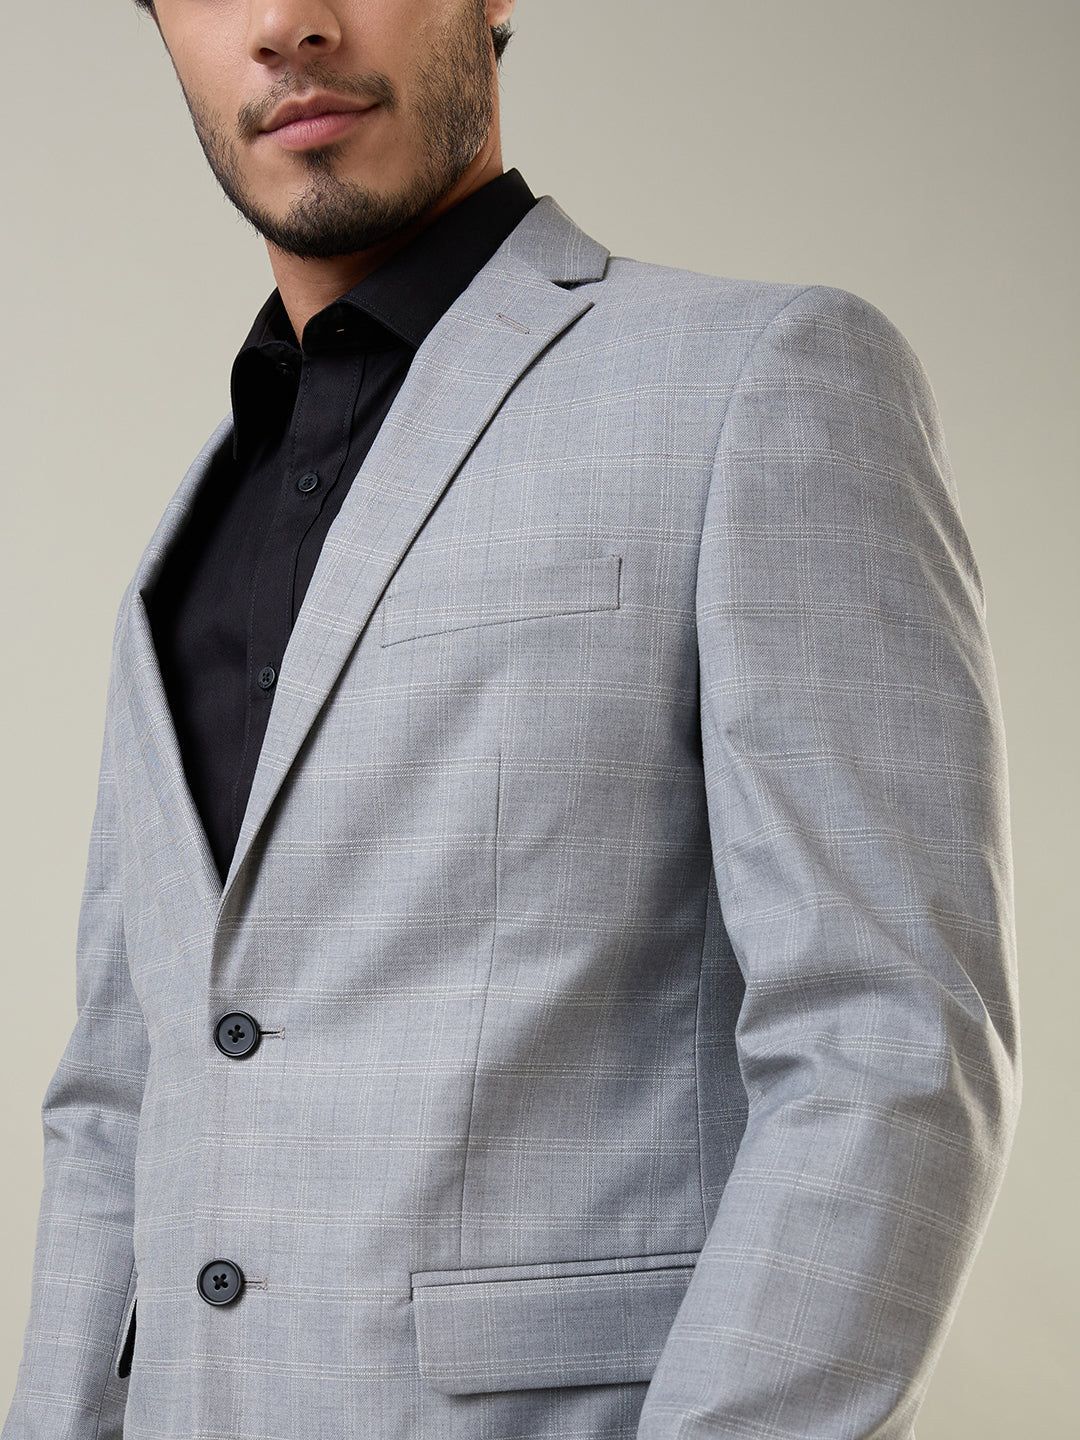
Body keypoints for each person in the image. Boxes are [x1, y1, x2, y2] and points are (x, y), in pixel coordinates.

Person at [1, 3, 1022, 1438]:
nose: (288, 23)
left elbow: (889, 1044)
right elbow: (122, 1093)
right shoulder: (199, 517)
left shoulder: (762, 378)